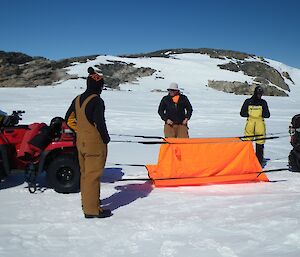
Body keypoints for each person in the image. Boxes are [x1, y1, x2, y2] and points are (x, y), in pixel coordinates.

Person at [65, 67, 112, 219]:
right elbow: (100, 122)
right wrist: (105, 138)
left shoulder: (78, 98)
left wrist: (80, 130)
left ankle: (87, 204)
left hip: (81, 142)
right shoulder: (97, 101)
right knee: (93, 176)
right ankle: (92, 210)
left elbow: (69, 118)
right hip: (95, 144)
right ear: (98, 86)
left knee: (85, 175)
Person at [240, 85, 270, 165]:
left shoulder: (248, 101)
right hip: (260, 124)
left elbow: (242, 113)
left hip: (250, 123)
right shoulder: (263, 102)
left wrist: (250, 114)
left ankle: (247, 159)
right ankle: (259, 162)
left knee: (247, 142)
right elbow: (267, 115)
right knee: (260, 142)